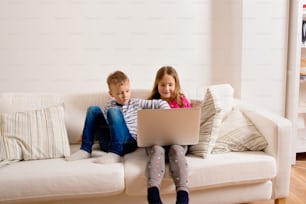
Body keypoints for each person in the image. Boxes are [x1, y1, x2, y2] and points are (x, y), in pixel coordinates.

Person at [66, 70, 170, 163]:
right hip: (108, 143)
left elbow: (159, 103)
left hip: (128, 143)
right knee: (93, 109)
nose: (125, 95)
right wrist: (89, 133)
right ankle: (85, 149)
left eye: (127, 91)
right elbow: (106, 126)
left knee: (114, 111)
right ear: (111, 94)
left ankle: (116, 153)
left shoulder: (136, 103)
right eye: (120, 93)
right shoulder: (108, 105)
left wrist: (167, 112)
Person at [146, 66, 191, 204]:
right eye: (162, 85)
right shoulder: (150, 102)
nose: (166, 88)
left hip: (178, 142)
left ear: (176, 84)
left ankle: (183, 195)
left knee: (176, 149)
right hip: (156, 143)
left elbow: (188, 124)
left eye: (170, 85)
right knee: (157, 150)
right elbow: (145, 126)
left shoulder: (182, 101)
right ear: (157, 85)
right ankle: (153, 194)